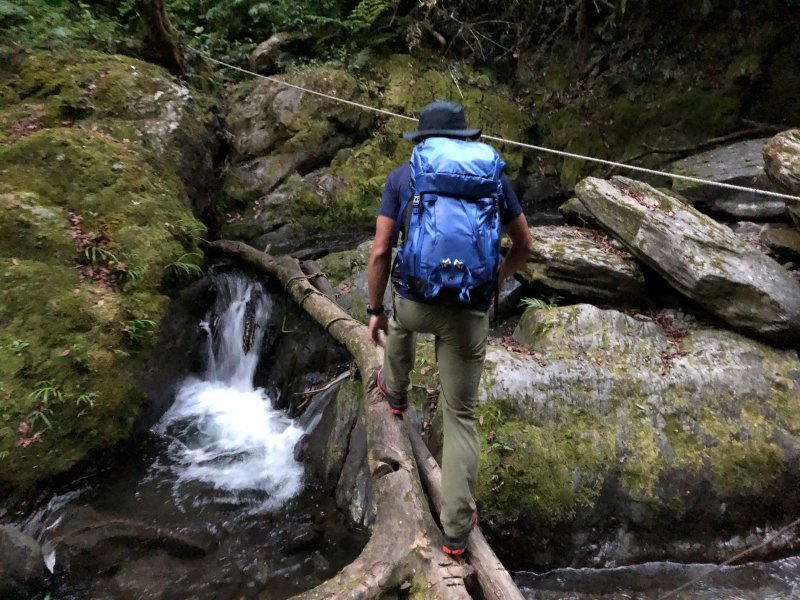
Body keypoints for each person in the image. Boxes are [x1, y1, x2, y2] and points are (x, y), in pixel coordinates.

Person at [366, 101, 532, 556]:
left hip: (415, 303)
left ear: (422, 140)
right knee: (460, 415)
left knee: (399, 319)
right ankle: (456, 530)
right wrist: (494, 280)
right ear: (465, 138)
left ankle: (394, 394)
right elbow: (524, 244)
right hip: (468, 311)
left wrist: (374, 309)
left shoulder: (404, 177)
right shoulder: (491, 175)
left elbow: (381, 252)